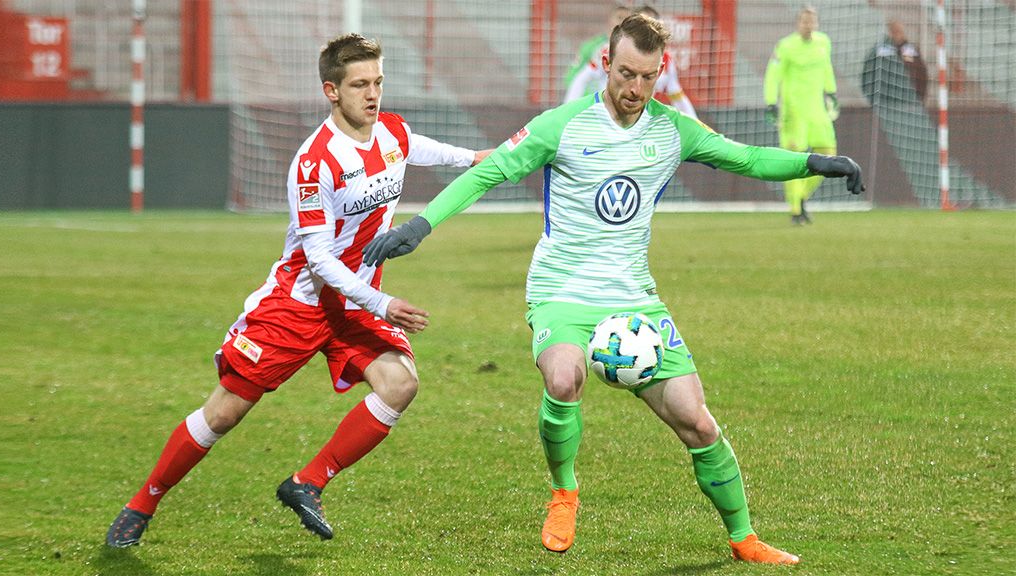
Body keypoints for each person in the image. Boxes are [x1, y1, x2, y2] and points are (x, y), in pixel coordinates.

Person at [363, 13, 862, 564]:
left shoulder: (671, 130)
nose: (636, 88)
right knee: (562, 375)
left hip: (633, 297)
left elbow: (745, 158)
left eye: (648, 77)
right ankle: (565, 491)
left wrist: (818, 162)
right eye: (626, 74)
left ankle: (744, 538)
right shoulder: (562, 124)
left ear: (660, 72)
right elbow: (490, 172)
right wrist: (418, 226)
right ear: (606, 64)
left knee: (696, 421)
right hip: (561, 289)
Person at [105, 33, 490, 547]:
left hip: (351, 305)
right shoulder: (314, 164)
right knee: (224, 413)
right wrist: (383, 302)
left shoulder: (391, 130)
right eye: (359, 85)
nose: (372, 95)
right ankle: (141, 505)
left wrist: (473, 157)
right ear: (331, 90)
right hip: (299, 305)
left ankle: (307, 482)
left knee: (400, 386)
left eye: (377, 82)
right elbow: (320, 258)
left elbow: (415, 148)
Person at [763, 6, 839, 225]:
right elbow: (772, 75)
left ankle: (801, 196)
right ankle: (796, 210)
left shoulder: (823, 42)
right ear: (798, 24)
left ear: (816, 23)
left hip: (817, 111)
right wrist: (770, 102)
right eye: (805, 21)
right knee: (794, 160)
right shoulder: (785, 46)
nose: (808, 25)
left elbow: (827, 68)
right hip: (793, 112)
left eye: (812, 21)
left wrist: (831, 91)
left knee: (828, 155)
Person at [564, 6, 697, 119]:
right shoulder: (610, 51)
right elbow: (580, 79)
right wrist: (567, 113)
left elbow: (677, 96)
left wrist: (697, 125)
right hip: (607, 118)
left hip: (642, 122)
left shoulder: (666, 60)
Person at [563, 3, 631, 100]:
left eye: (626, 19)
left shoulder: (632, 49)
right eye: (619, 17)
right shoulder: (592, 46)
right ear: (610, 20)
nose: (622, 22)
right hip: (588, 100)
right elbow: (572, 75)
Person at [861, 20, 929, 106]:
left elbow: (920, 74)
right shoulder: (881, 50)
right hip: (886, 99)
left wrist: (920, 97)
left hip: (907, 100)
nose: (897, 34)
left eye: (899, 31)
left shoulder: (909, 50)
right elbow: (869, 71)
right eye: (894, 31)